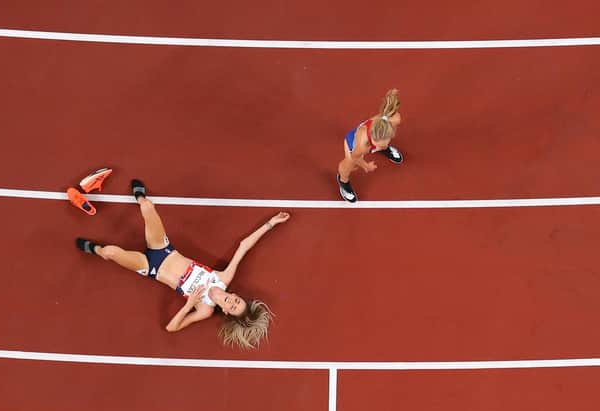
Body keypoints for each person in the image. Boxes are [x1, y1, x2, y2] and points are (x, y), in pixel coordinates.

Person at [75, 179, 291, 349]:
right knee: (148, 206)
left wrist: (189, 305)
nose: (232, 302)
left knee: (110, 251)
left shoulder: (204, 309)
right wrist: (271, 223)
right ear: (235, 296)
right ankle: (139, 197)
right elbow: (244, 246)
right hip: (164, 250)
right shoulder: (223, 278)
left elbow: (171, 328)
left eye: (232, 308)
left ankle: (96, 250)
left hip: (151, 268)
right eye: (237, 301)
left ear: (226, 312)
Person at [336, 89, 403, 203]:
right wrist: (366, 166)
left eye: (387, 141)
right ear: (373, 141)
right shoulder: (362, 145)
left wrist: (382, 145)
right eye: (381, 145)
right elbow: (355, 156)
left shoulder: (394, 120)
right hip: (352, 143)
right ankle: (343, 181)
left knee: (383, 143)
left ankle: (384, 149)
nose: (385, 144)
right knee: (349, 165)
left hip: (376, 136)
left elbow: (384, 137)